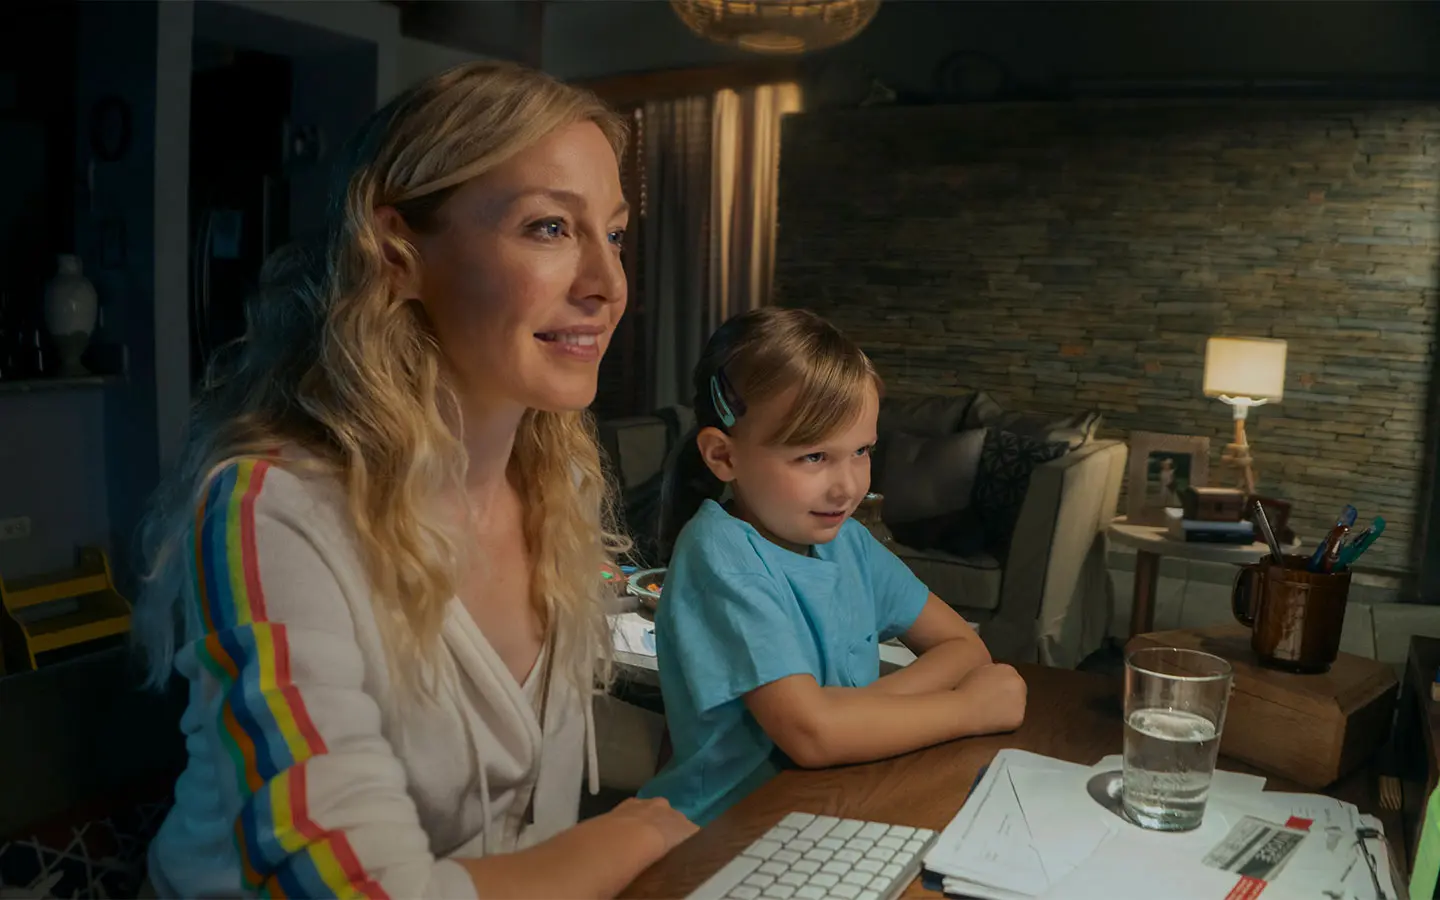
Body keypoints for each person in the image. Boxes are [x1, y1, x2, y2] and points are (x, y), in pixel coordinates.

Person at [132, 62, 695, 898]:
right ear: (397, 253)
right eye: (548, 227)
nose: (608, 286)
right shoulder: (272, 511)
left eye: (612, 235)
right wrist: (640, 828)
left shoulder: (559, 482)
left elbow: (521, 787)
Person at [638, 308, 1027, 826]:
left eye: (861, 451)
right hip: (720, 832)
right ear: (724, 457)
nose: (847, 487)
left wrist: (858, 713)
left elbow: (963, 646)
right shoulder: (721, 556)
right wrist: (969, 710)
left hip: (831, 804)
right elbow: (812, 735)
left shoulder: (850, 545)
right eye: (814, 457)